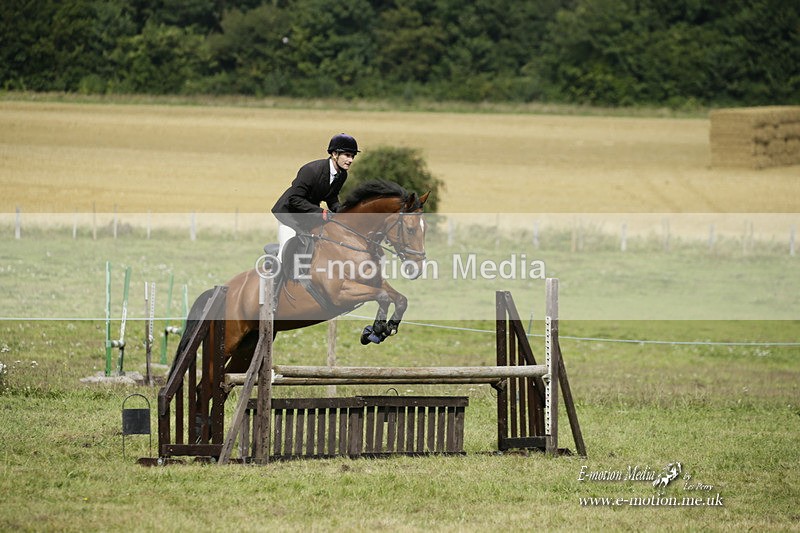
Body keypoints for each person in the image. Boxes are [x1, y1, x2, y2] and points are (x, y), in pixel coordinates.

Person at [271, 133, 359, 259]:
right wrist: (321, 212)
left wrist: (342, 212)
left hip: (307, 213)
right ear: (334, 154)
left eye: (352, 156)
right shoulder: (311, 170)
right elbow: (295, 199)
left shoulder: (342, 174)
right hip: (288, 213)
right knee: (285, 251)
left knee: (318, 243)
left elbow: (331, 197)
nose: (350, 160)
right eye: (347, 155)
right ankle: (275, 273)